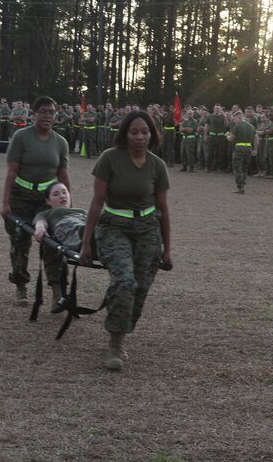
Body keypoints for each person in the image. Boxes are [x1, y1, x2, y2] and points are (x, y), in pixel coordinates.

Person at [79, 110, 171, 371]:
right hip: (112, 227)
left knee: (140, 288)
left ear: (152, 135)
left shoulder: (157, 166)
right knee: (124, 281)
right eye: (134, 132)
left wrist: (168, 250)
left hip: (147, 229)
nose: (140, 137)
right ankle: (116, 341)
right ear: (125, 134)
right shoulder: (110, 159)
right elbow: (97, 202)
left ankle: (123, 330)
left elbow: (163, 209)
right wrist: (86, 243)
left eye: (145, 132)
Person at [0, 96, 71, 309]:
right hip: (21, 196)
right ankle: (20, 286)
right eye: (43, 112)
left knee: (53, 243)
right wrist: (5, 202)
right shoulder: (21, 137)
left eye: (51, 112)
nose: (47, 116)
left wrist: (69, 205)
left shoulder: (60, 142)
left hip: (47, 199)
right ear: (34, 114)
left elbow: (63, 175)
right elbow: (12, 171)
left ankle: (57, 290)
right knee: (20, 241)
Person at [227, 111, 259, 194]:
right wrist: (255, 149)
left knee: (238, 168)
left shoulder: (237, 126)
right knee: (244, 168)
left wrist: (227, 136)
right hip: (248, 148)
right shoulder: (251, 126)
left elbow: (231, 139)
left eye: (235, 119)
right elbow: (256, 138)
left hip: (239, 148)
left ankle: (240, 187)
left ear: (240, 118)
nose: (234, 121)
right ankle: (243, 185)